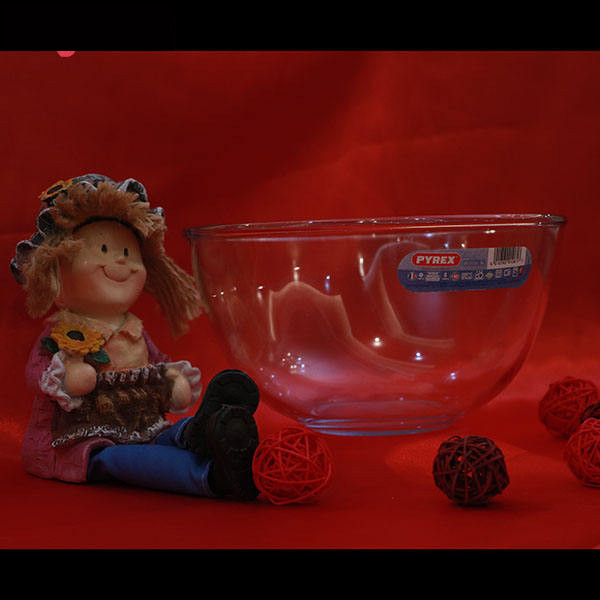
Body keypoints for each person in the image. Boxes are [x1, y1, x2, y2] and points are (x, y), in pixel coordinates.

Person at [10, 173, 260, 501]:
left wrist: (170, 381)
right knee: (124, 459)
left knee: (163, 433)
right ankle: (209, 476)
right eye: (103, 249)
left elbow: (155, 364)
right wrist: (69, 378)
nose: (122, 261)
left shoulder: (133, 329)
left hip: (142, 424)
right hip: (81, 441)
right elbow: (37, 374)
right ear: (55, 271)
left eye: (129, 251)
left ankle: (200, 432)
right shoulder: (62, 331)